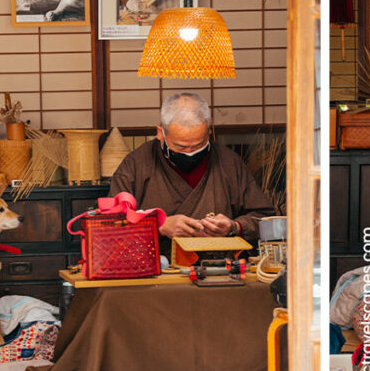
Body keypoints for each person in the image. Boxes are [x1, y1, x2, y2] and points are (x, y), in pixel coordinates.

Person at [109, 93, 276, 253]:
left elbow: (265, 218)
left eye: (198, 145)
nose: (190, 153)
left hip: (218, 266)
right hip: (157, 265)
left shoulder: (229, 162)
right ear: (160, 133)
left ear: (210, 129)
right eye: (180, 147)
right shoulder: (136, 164)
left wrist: (234, 227)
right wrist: (158, 225)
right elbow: (109, 224)